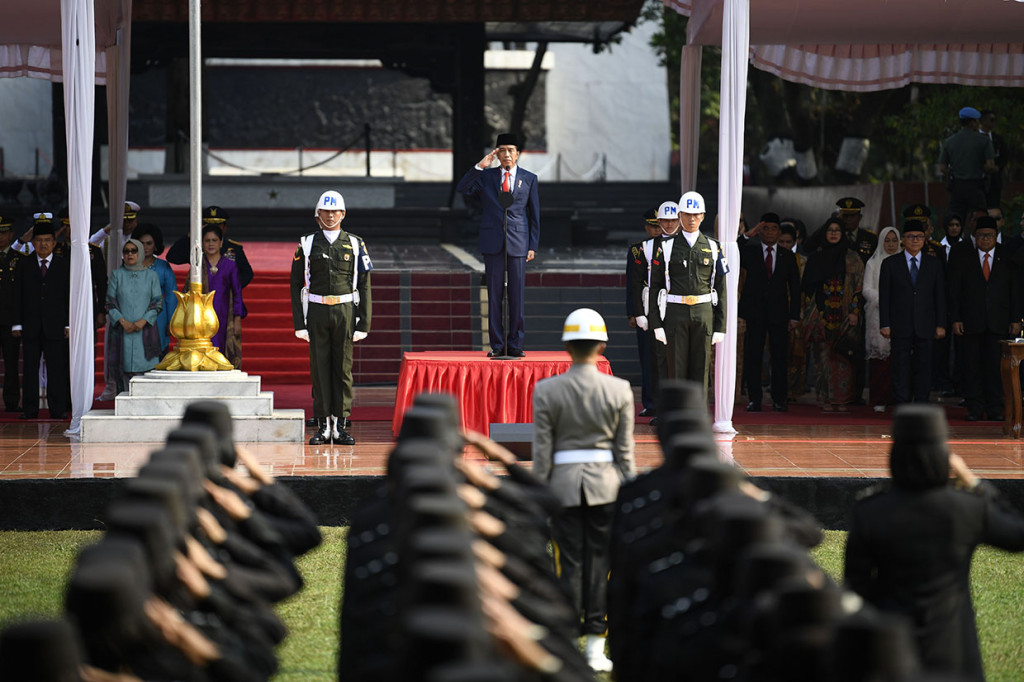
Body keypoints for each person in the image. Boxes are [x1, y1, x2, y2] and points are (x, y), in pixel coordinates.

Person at [845, 404, 1024, 679]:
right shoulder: (967, 509)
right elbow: (1017, 535)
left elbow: (856, 589)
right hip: (954, 651)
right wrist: (976, 485)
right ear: (945, 455)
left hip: (891, 652)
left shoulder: (869, 509)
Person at [532, 308, 635, 673]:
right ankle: (594, 645)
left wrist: (540, 494)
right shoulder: (619, 388)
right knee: (600, 567)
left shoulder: (547, 390)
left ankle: (563, 641)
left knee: (567, 565)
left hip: (562, 487)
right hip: (607, 487)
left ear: (567, 347)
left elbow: (542, 453)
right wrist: (631, 491)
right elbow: (624, 453)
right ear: (602, 344)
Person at [290, 190, 372, 446]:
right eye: (325, 211)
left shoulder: (356, 244)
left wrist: (364, 322)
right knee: (320, 369)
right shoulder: (306, 243)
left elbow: (365, 284)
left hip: (345, 311)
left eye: (335, 211)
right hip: (317, 311)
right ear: (318, 216)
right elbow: (295, 283)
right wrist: (299, 323)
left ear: (343, 214)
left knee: (343, 370)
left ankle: (341, 425)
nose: (330, 216)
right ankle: (324, 425)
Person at [456, 133, 540, 357]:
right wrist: (480, 167)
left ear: (518, 154)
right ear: (496, 153)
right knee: (494, 296)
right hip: (492, 241)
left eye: (511, 150)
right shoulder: (487, 177)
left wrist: (533, 244)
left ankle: (516, 344)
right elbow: (463, 188)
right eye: (502, 150)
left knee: (516, 296)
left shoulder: (529, 178)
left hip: (519, 242)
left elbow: (534, 215)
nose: (507, 154)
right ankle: (496, 345)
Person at [649, 191, 727, 398]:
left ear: (703, 215)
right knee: (676, 369)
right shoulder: (665, 247)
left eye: (696, 214)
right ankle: (677, 418)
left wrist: (720, 326)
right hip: (675, 312)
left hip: (703, 312)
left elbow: (721, 288)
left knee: (701, 370)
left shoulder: (713, 246)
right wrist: (656, 323)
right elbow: (655, 287)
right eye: (687, 214)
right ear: (680, 215)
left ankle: (697, 418)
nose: (691, 219)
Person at [948, 215, 1020, 421]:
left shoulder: (1007, 257)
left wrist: (1016, 319)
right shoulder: (964, 257)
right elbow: (955, 290)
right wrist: (956, 318)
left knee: (996, 367)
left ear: (996, 237)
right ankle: (975, 408)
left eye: (989, 235)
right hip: (971, 322)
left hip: (999, 321)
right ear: (975, 236)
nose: (985, 239)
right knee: (972, 366)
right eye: (981, 235)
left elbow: (1015, 290)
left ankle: (996, 408)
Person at [738, 212, 801, 412]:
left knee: (780, 358)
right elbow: (730, 251)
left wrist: (794, 316)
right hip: (754, 313)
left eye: (774, 228)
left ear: (779, 232)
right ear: (760, 231)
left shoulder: (788, 256)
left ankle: (779, 398)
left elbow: (795, 288)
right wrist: (748, 234)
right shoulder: (750, 252)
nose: (770, 232)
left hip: (779, 314)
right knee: (753, 356)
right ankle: (754, 399)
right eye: (765, 228)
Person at [879, 221, 946, 405]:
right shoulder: (890, 264)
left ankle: (922, 401)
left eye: (919, 236)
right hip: (900, 323)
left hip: (926, 323)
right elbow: (885, 297)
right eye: (910, 236)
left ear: (925, 240)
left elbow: (939, 296)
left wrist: (941, 324)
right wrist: (885, 323)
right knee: (900, 365)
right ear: (903, 240)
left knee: (924, 365)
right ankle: (901, 402)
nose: (915, 240)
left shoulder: (934, 264)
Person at [801, 218, 864, 412]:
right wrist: (811, 314)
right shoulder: (816, 258)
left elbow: (859, 288)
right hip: (821, 314)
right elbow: (807, 289)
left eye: (838, 230)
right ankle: (826, 397)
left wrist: (854, 311)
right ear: (824, 233)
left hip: (845, 316)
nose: (834, 233)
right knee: (823, 358)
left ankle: (843, 398)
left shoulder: (853, 257)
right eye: (830, 230)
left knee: (844, 358)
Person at [11, 220, 70, 420]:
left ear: (55, 242)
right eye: (39, 240)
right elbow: (17, 295)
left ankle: (57, 408)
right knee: (29, 368)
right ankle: (29, 409)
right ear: (33, 243)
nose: (43, 244)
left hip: (55, 325)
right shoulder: (24, 264)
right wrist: (17, 323)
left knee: (57, 368)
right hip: (30, 325)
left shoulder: (63, 265)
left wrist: (68, 323)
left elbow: (68, 296)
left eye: (47, 240)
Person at [105, 238, 164, 394]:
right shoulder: (117, 275)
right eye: (126, 251)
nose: (130, 254)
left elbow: (157, 303)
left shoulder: (151, 276)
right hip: (122, 331)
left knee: (146, 374)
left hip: (144, 331)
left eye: (134, 251)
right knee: (123, 373)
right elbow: (109, 302)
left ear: (141, 252)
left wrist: (143, 321)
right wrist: (122, 321)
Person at [626, 208, 663, 417]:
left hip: (668, 308)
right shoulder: (637, 250)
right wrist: (632, 312)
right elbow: (632, 283)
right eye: (653, 226)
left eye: (660, 226)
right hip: (645, 309)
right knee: (647, 357)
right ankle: (650, 402)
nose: (657, 230)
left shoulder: (673, 247)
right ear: (646, 227)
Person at [192, 224, 246, 368]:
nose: (211, 244)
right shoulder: (197, 266)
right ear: (202, 243)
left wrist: (237, 319)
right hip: (201, 319)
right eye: (207, 240)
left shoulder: (230, 265)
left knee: (223, 351)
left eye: (214, 240)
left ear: (221, 243)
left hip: (224, 317)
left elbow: (237, 293)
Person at [862, 226, 901, 412]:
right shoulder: (873, 262)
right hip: (878, 315)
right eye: (887, 240)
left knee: (899, 360)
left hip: (901, 316)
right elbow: (866, 290)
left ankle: (897, 399)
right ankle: (879, 399)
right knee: (880, 363)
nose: (891, 244)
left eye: (894, 240)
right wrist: (885, 299)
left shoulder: (904, 262)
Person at [167, 206, 253, 289]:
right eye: (209, 225)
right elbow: (173, 257)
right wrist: (191, 236)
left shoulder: (233, 248)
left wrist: (232, 287)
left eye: (217, 225)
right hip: (201, 295)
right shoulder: (196, 247)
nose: (213, 229)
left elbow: (247, 272)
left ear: (224, 227)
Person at [939, 107, 996, 223]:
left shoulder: (949, 141)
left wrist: (954, 172)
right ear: (972, 122)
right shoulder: (983, 140)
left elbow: (942, 167)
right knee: (980, 220)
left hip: (957, 188)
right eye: (977, 121)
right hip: (976, 186)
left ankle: (956, 241)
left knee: (956, 220)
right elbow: (990, 165)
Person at [134, 224, 179, 355]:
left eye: (149, 243)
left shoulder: (163, 267)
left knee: (157, 358)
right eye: (141, 243)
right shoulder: (128, 265)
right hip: (133, 318)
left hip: (159, 319)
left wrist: (171, 322)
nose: (145, 247)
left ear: (155, 244)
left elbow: (171, 295)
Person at [0, 216, 26, 413]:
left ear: (10, 234)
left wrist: (18, 321)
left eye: (4, 233)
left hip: (9, 320)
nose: (1, 237)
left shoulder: (20, 260)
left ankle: (11, 401)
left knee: (11, 362)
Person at [805, 197, 877, 262]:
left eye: (852, 215)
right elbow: (808, 247)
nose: (848, 219)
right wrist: (831, 222)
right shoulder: (833, 236)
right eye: (845, 215)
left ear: (860, 217)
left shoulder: (870, 238)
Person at [979, 109, 1005, 209]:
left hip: (995, 180)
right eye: (991, 120)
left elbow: (1004, 156)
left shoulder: (998, 138)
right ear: (983, 121)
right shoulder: (976, 138)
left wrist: (998, 167)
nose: (994, 123)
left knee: (994, 206)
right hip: (979, 180)